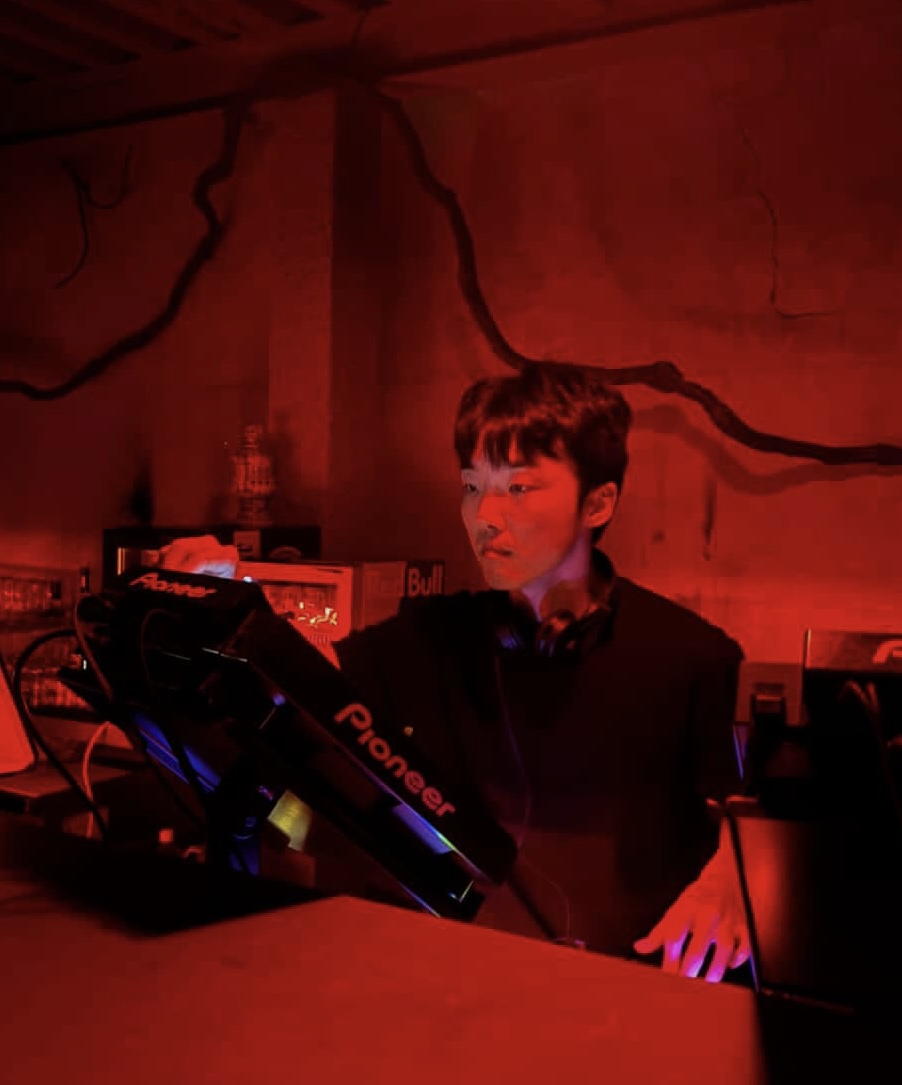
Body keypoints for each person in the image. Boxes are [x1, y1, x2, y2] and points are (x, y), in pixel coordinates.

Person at [159, 364, 749, 982]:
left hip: (627, 994)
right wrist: (229, 596)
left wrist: (733, 879)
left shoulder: (691, 656)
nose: (485, 515)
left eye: (519, 488)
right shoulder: (434, 637)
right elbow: (307, 676)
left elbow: (754, 817)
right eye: (472, 486)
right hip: (457, 982)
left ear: (598, 502)